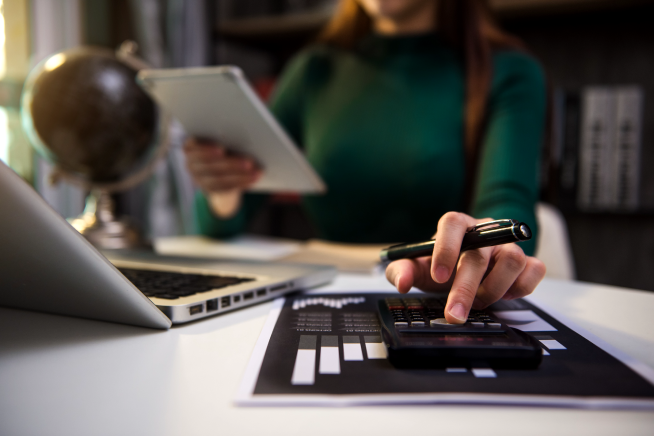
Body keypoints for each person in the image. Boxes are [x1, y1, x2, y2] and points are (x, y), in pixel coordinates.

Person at [184, 0, 547, 324]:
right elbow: (221, 226)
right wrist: (224, 188)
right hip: (320, 296)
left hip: (441, 299)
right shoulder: (314, 69)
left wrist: (489, 241)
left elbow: (509, 200)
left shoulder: (508, 71)